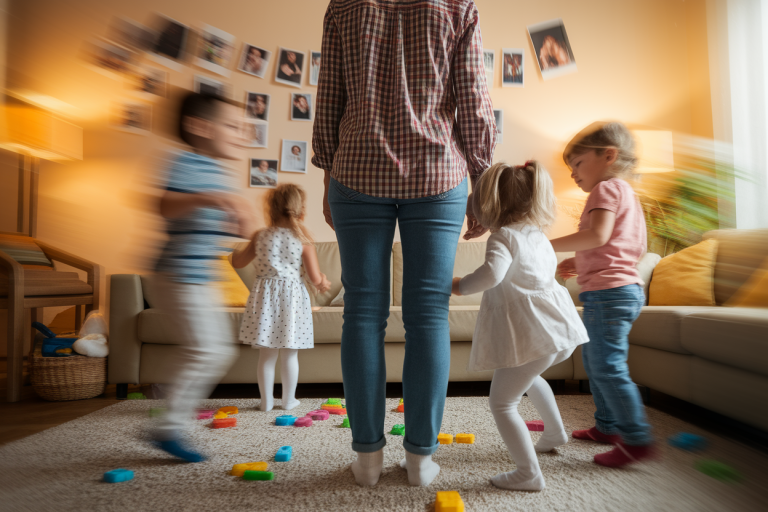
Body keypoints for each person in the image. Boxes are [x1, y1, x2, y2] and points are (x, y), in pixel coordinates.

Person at [312, 0, 495, 487]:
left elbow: (329, 93)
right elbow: (473, 96)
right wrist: (480, 175)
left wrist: (326, 172)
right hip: (437, 171)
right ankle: (420, 459)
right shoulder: (457, 5)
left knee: (362, 315)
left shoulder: (344, 4)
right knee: (429, 314)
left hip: (355, 168)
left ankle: (368, 459)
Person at [451, 161, 589, 491]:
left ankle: (528, 473)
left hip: (535, 330)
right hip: (557, 329)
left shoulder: (503, 237)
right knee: (529, 376)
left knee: (502, 402)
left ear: (490, 206)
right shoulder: (538, 235)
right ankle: (554, 432)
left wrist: (458, 285)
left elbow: (492, 275)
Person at [152, 92, 255, 462]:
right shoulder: (185, 161)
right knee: (207, 349)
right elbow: (165, 206)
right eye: (231, 125)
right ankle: (167, 427)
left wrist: (239, 219)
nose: (240, 132)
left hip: (200, 277)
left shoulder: (219, 172)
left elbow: (224, 225)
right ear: (199, 127)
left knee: (217, 351)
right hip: (177, 274)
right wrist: (209, 199)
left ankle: (170, 415)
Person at [550, 121, 655, 467]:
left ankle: (636, 439)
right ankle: (607, 427)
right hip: (619, 290)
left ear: (608, 155)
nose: (573, 175)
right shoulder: (625, 192)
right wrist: (579, 263)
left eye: (577, 164)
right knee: (598, 363)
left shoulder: (606, 189)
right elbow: (618, 247)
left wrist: (542, 244)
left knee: (606, 366)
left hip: (610, 294)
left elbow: (597, 235)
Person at [232, 184, 331, 411]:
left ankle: (266, 403)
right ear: (301, 210)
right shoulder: (302, 240)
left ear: (271, 209)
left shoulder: (260, 236)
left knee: (266, 355)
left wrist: (232, 254)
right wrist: (323, 281)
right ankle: (288, 401)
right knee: (289, 354)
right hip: (292, 298)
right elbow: (316, 279)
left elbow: (238, 263)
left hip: (264, 297)